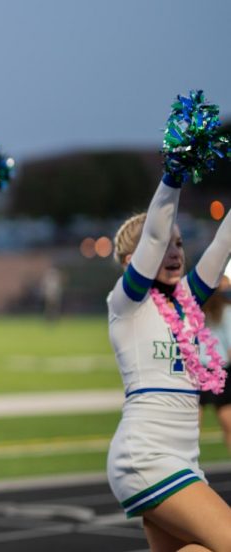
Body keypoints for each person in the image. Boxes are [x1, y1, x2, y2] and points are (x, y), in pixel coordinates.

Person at [106, 173, 231, 551]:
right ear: (134, 261)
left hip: (183, 458)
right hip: (147, 455)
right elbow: (156, 234)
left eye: (179, 244)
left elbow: (224, 242)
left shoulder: (188, 301)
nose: (174, 252)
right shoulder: (126, 305)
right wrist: (173, 175)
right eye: (163, 247)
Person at [200, 271, 231, 454]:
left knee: (190, 431)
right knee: (229, 427)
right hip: (221, 370)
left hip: (199, 370)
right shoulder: (227, 311)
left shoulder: (193, 310)